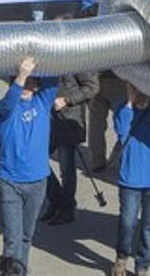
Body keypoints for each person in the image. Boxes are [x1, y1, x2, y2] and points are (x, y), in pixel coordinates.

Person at [0, 56, 58, 270]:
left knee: (26, 237)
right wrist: (21, 75)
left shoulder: (43, 102)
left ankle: (20, 272)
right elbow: (10, 100)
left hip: (38, 181)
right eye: (22, 81)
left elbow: (54, 75)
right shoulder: (6, 108)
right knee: (12, 241)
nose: (26, 84)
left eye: (32, 81)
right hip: (11, 182)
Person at [84, 0, 130, 172]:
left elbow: (88, 2)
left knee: (97, 118)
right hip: (125, 52)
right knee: (125, 116)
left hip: (99, 51)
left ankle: (96, 161)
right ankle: (126, 158)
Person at [113, 82, 150, 276]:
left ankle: (142, 264)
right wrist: (129, 102)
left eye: (144, 89)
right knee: (128, 223)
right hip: (130, 178)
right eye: (137, 89)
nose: (141, 94)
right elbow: (121, 133)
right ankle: (121, 257)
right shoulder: (122, 107)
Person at [43, 66, 98, 226]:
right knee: (37, 159)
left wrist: (66, 100)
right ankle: (55, 198)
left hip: (68, 118)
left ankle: (66, 208)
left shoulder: (76, 58)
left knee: (66, 168)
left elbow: (92, 87)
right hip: (48, 116)